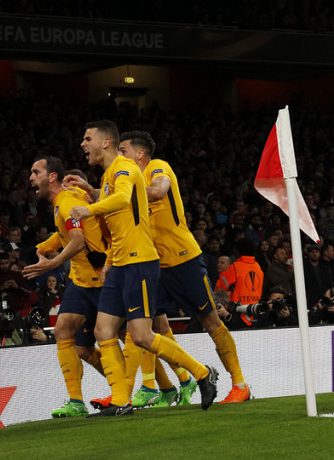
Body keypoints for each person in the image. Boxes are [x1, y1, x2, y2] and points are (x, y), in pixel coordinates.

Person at [67, 120, 217, 416]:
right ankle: (121, 399)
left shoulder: (123, 168)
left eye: (87, 139)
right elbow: (118, 223)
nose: (83, 144)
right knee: (103, 330)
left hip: (140, 261)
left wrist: (89, 208)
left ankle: (202, 374)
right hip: (121, 262)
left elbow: (122, 200)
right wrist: (109, 261)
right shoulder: (110, 174)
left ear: (105, 142)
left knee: (141, 336)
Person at [113, 130, 251, 405]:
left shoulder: (158, 167)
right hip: (152, 265)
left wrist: (119, 192)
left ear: (140, 154)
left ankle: (240, 384)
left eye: (123, 150)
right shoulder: (123, 182)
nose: (119, 156)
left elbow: (158, 191)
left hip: (183, 259)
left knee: (210, 320)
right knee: (146, 328)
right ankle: (164, 385)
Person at [21, 156, 112, 418]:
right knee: (69, 337)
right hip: (81, 282)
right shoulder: (63, 200)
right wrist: (43, 248)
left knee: (143, 335)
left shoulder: (67, 201)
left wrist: (52, 264)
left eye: (35, 172)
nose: (30, 177)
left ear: (51, 177)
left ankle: (144, 387)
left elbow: (78, 240)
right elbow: (65, 234)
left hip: (102, 280)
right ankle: (76, 401)